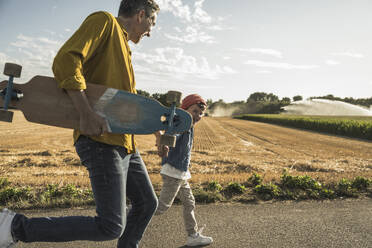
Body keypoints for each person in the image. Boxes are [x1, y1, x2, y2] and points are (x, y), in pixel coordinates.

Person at [0, 1, 160, 247]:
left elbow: (122, 104)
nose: (151, 31)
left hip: (125, 144)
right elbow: (66, 60)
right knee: (111, 226)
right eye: (152, 22)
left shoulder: (125, 48)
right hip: (100, 141)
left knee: (147, 203)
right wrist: (85, 112)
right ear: (141, 15)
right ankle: (14, 226)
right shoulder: (105, 22)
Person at [154, 94, 213, 247]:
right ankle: (129, 212)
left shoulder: (190, 125)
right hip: (173, 173)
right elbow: (173, 134)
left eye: (201, 113)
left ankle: (193, 236)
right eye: (194, 111)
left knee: (189, 202)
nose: (198, 116)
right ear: (184, 110)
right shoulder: (181, 124)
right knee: (161, 208)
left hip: (180, 173)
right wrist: (165, 144)